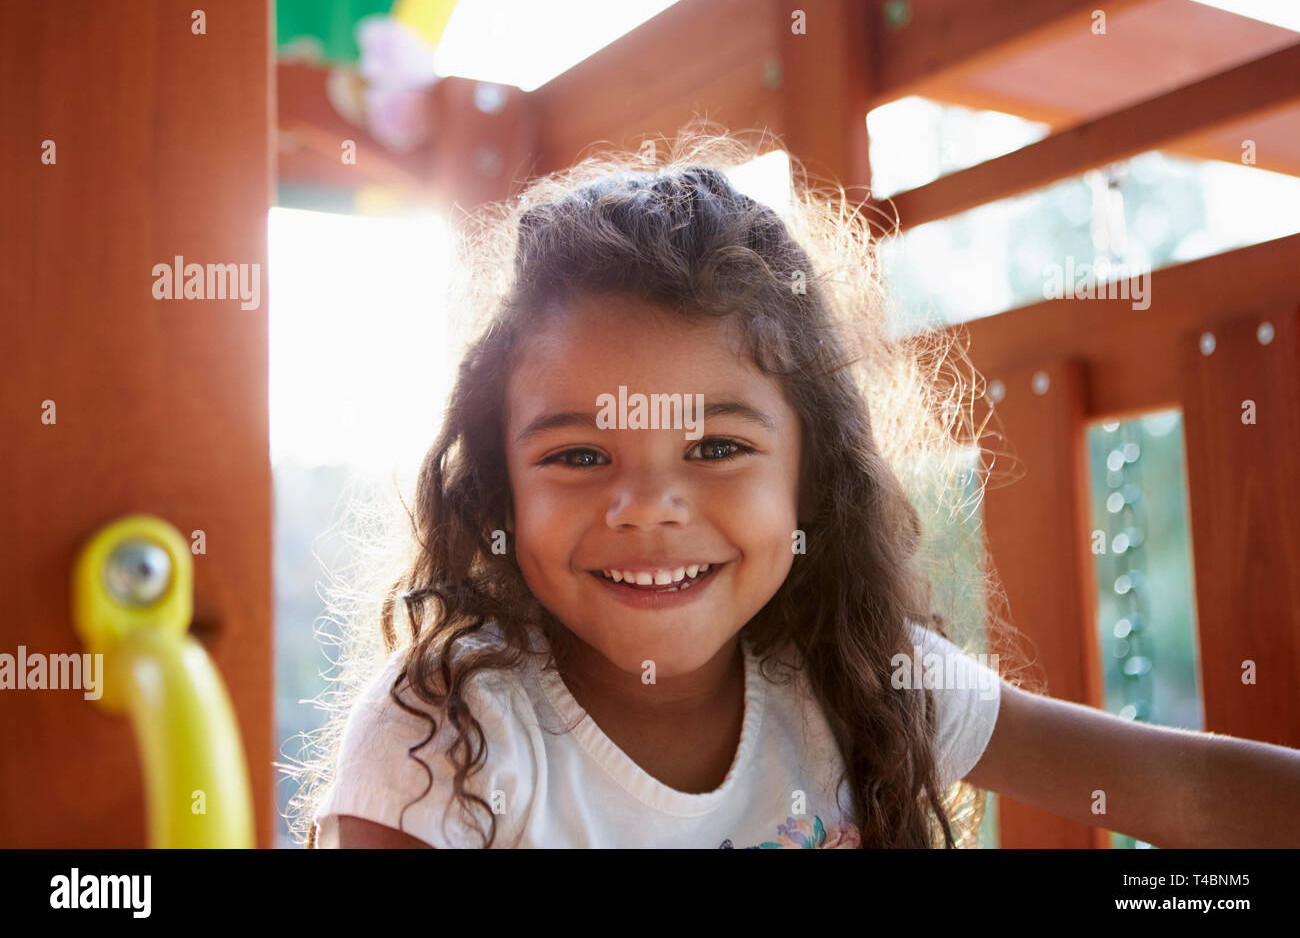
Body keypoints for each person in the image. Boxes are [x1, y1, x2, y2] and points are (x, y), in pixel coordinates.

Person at [289, 129, 1300, 848]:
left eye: (718, 448)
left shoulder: (858, 680)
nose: (648, 506)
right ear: (502, 490)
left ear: (809, 478)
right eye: (580, 455)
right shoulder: (449, 729)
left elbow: (1189, 791)